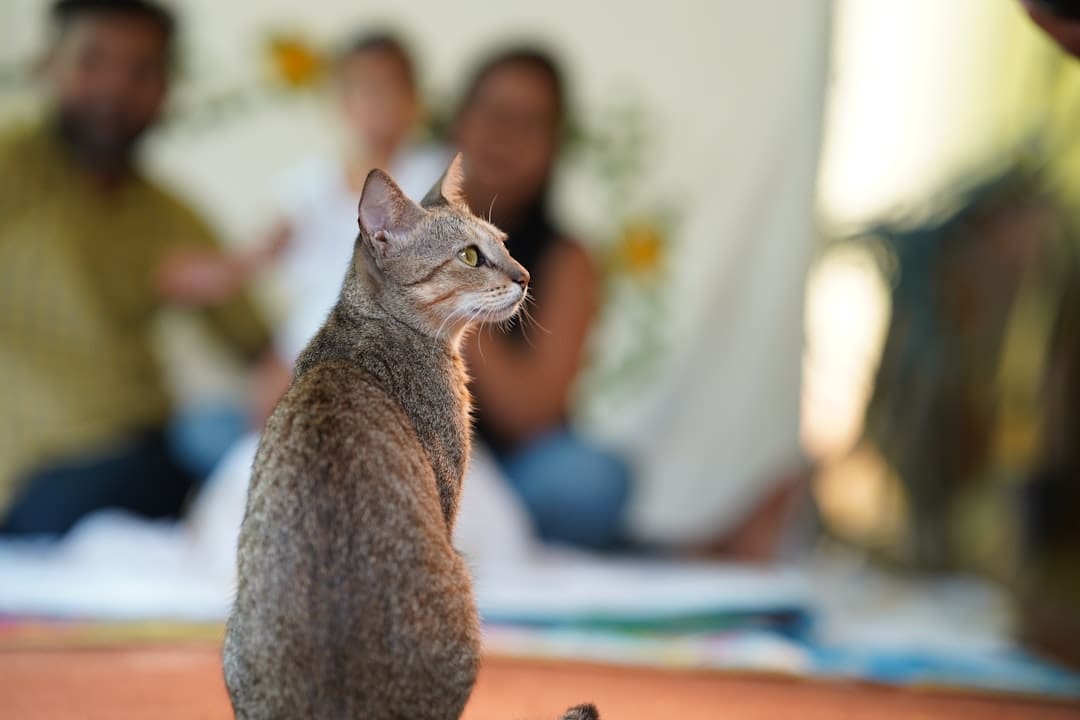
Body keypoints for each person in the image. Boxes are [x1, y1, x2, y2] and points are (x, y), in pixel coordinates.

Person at [0, 0, 271, 536]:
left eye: (142, 70)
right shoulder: (13, 170)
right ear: (49, 65)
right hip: (34, 476)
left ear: (167, 88)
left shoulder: (171, 215)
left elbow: (263, 348)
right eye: (93, 61)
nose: (115, 89)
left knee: (221, 451)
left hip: (150, 455)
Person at [452, 48, 631, 549]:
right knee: (221, 433)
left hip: (509, 469)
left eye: (529, 122)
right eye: (493, 112)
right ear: (458, 120)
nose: (504, 135)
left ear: (554, 146)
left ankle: (478, 530)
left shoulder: (567, 258)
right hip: (392, 451)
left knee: (589, 481)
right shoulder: (389, 218)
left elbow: (534, 415)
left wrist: (452, 282)